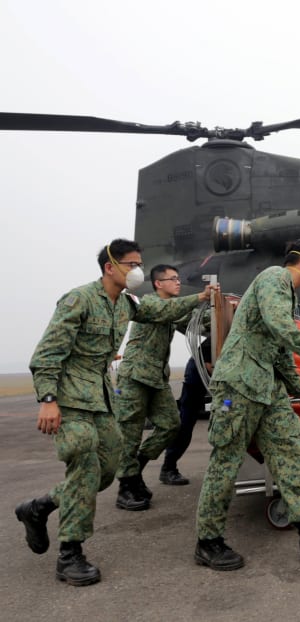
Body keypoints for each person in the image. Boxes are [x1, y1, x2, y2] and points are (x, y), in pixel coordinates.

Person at [15, 239, 217, 587]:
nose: (137, 270)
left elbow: (162, 313)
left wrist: (200, 299)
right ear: (111, 267)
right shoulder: (79, 299)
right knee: (84, 463)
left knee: (106, 473)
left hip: (101, 397)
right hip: (69, 399)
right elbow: (47, 352)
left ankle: (39, 507)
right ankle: (70, 554)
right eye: (132, 264)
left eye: (140, 263)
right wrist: (48, 399)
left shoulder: (126, 303)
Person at [195, 239, 300, 570]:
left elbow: (281, 350)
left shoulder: (290, 296)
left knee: (290, 451)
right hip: (239, 383)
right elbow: (278, 325)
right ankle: (208, 542)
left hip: (268, 388)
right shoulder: (274, 278)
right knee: (225, 460)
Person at [114, 264, 201, 510]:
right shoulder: (149, 304)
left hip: (156, 379)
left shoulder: (171, 309)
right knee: (130, 434)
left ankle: (135, 471)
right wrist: (199, 296)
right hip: (135, 377)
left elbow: (192, 318)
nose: (178, 282)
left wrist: (218, 306)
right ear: (157, 284)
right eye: (172, 279)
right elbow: (168, 311)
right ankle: (125, 489)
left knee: (171, 425)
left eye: (178, 278)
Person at [158, 337, 212, 486]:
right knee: (185, 426)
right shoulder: (219, 333)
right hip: (196, 377)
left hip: (202, 377)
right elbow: (210, 367)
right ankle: (168, 468)